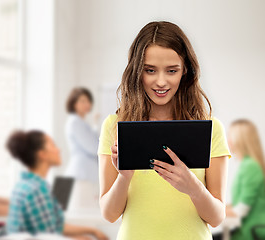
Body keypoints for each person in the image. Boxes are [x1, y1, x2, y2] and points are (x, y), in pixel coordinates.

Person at [98, 21, 232, 240]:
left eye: (172, 71)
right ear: (136, 71)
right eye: (150, 70)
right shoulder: (114, 126)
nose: (161, 82)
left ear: (185, 71)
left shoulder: (211, 129)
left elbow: (217, 217)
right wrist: (124, 176)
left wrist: (193, 187)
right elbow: (109, 214)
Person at [6, 130, 108, 240]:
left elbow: (55, 227)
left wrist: (91, 231)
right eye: (53, 145)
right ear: (42, 154)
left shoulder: (25, 185)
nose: (58, 149)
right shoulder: (37, 190)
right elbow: (49, 236)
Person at [225, 119, 265, 240]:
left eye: (229, 136)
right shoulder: (246, 164)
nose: (227, 141)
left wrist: (213, 209)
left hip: (252, 232)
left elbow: (241, 210)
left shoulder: (250, 166)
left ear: (240, 140)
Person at [64, 87, 100, 211]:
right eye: (82, 101)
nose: (87, 104)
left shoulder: (80, 122)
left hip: (83, 175)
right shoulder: (75, 122)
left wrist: (96, 125)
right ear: (74, 103)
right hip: (81, 175)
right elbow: (94, 147)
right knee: (82, 214)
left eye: (88, 101)